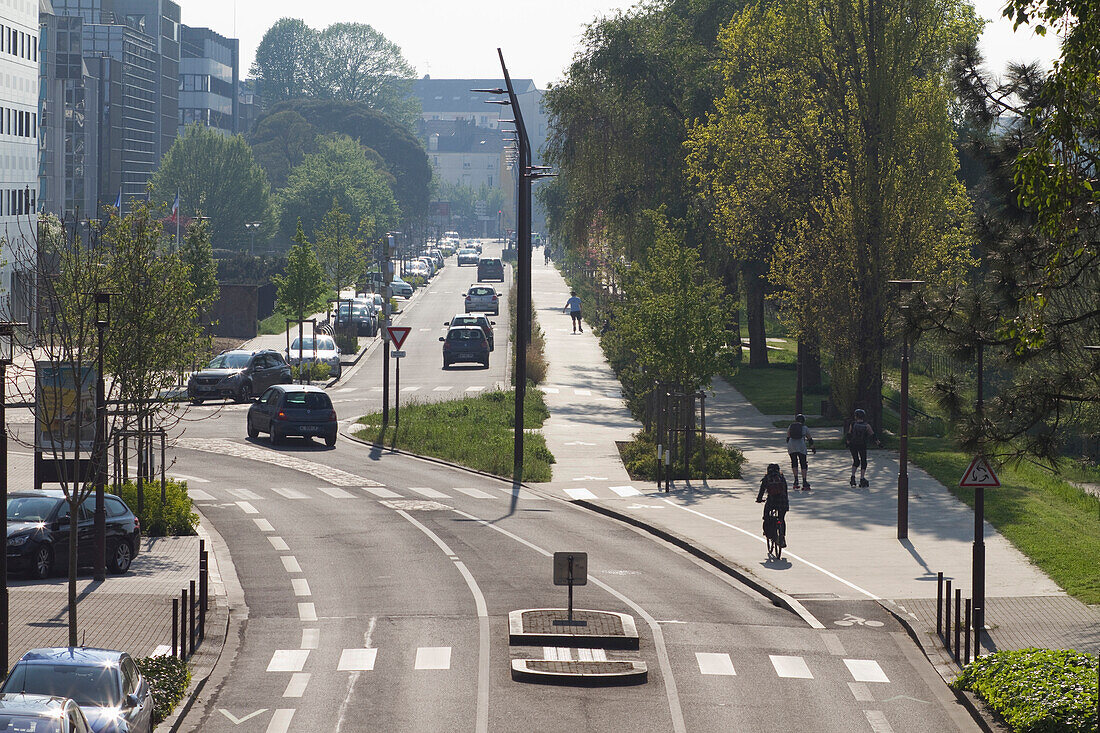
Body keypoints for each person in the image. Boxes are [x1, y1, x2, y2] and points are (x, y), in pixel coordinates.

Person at [755, 463, 789, 547]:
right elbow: (785, 490)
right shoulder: (781, 478)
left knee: (766, 515)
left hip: (772, 501)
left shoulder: (767, 478)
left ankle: (769, 532)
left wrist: (759, 499)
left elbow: (762, 490)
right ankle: (782, 537)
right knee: (781, 519)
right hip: (782, 501)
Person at [846, 408, 877, 487]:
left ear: (856, 416)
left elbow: (849, 434)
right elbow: (872, 435)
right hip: (862, 445)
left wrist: (848, 442)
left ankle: (853, 477)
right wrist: (878, 443)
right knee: (863, 461)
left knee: (856, 460)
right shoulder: (867, 425)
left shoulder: (852, 424)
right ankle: (862, 478)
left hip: (853, 444)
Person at [786, 413, 815, 490]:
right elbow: (809, 438)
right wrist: (812, 447)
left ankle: (796, 481)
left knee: (794, 462)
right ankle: (804, 482)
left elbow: (788, 437)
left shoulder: (790, 426)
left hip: (791, 446)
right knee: (803, 463)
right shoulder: (804, 428)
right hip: (801, 446)